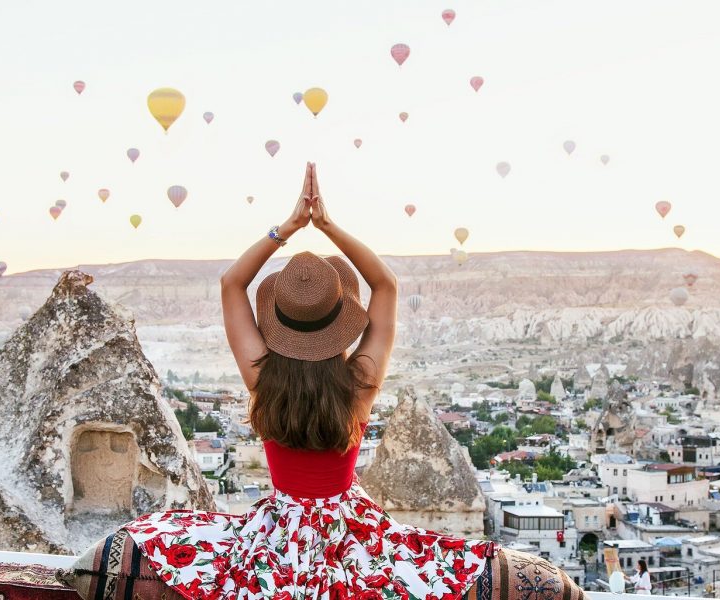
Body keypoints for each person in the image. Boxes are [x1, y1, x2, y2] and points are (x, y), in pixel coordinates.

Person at [121, 162, 497, 599]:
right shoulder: (358, 384)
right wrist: (327, 225)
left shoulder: (263, 379)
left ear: (279, 319)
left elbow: (231, 283)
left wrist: (289, 226)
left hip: (276, 536)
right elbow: (386, 285)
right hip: (348, 534)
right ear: (340, 320)